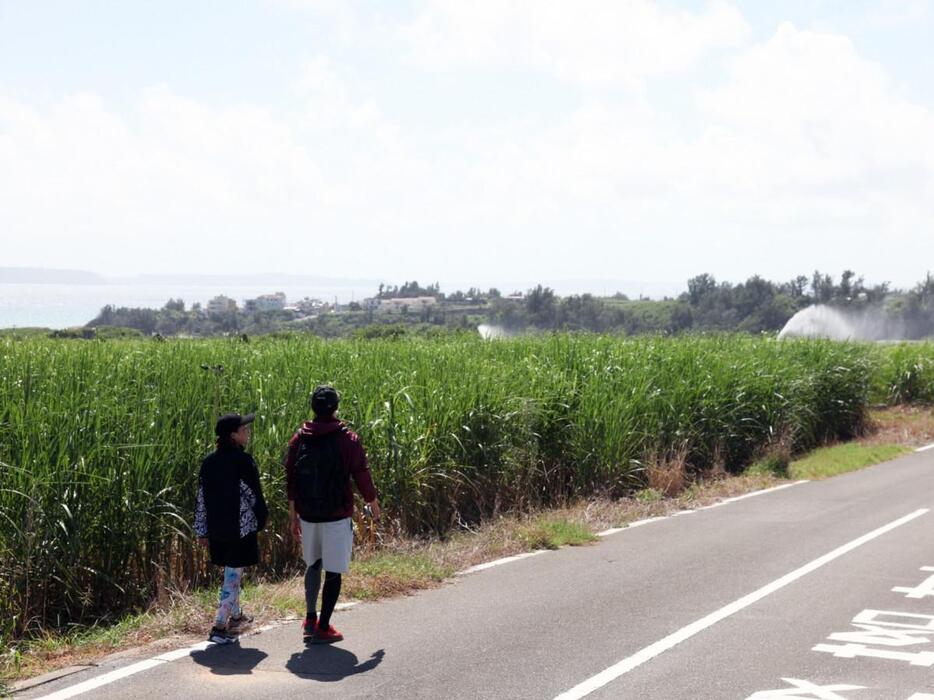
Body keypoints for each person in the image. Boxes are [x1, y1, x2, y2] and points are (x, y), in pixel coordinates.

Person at [285, 385, 380, 644]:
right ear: (336, 407)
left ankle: (310, 618)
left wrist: (293, 514)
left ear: (313, 408)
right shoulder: (347, 439)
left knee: (313, 564)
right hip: (337, 515)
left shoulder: (300, 439)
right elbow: (361, 473)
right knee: (334, 571)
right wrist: (372, 501)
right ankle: (324, 626)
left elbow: (291, 477)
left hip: (308, 514)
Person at [194, 412, 269, 644]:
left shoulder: (208, 463)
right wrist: (261, 519)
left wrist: (201, 530)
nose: (247, 432)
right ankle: (219, 625)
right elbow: (253, 495)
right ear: (233, 435)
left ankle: (236, 616)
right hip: (240, 529)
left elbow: (201, 499)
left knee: (231, 571)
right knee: (233, 575)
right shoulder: (243, 462)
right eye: (243, 429)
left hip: (217, 529)